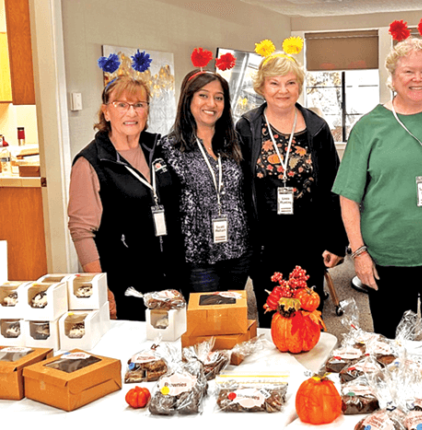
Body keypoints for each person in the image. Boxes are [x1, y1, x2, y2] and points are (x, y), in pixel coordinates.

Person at [332, 36, 422, 342]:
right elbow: (348, 197)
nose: (417, 79)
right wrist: (358, 253)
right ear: (392, 78)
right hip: (389, 258)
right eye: (408, 72)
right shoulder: (368, 127)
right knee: (395, 347)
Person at [236, 43, 346, 328]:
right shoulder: (247, 127)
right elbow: (237, 190)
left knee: (308, 316)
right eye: (274, 83)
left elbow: (335, 185)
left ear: (299, 87)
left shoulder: (317, 128)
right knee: (271, 320)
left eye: (290, 83)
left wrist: (336, 240)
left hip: (308, 240)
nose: (282, 90)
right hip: (264, 243)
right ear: (262, 87)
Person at [68, 75, 181, 321]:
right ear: (106, 112)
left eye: (139, 105)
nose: (132, 112)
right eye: (122, 105)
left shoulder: (158, 150)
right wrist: (100, 287)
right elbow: (81, 231)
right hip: (126, 282)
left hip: (170, 276)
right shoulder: (91, 163)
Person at [161, 70, 251, 296]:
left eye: (219, 97)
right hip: (198, 258)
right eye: (203, 95)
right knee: (208, 325)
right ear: (188, 99)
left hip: (238, 253)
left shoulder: (235, 143)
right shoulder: (170, 148)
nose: (211, 103)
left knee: (233, 319)